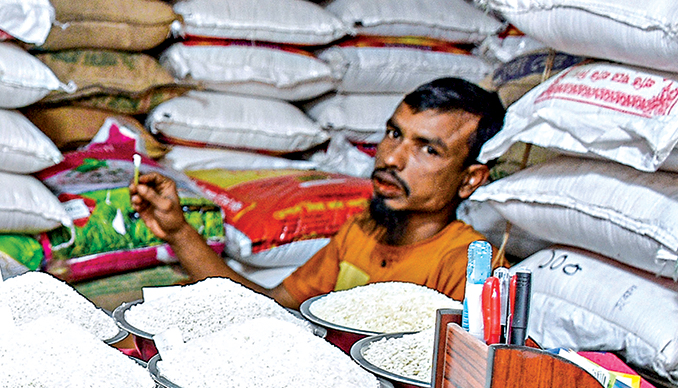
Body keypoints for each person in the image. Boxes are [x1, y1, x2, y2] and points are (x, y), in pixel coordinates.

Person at [129, 78, 506, 307]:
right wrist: (178, 231)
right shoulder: (362, 232)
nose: (392, 158)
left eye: (428, 149)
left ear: (470, 179)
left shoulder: (472, 268)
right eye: (394, 134)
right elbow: (273, 307)